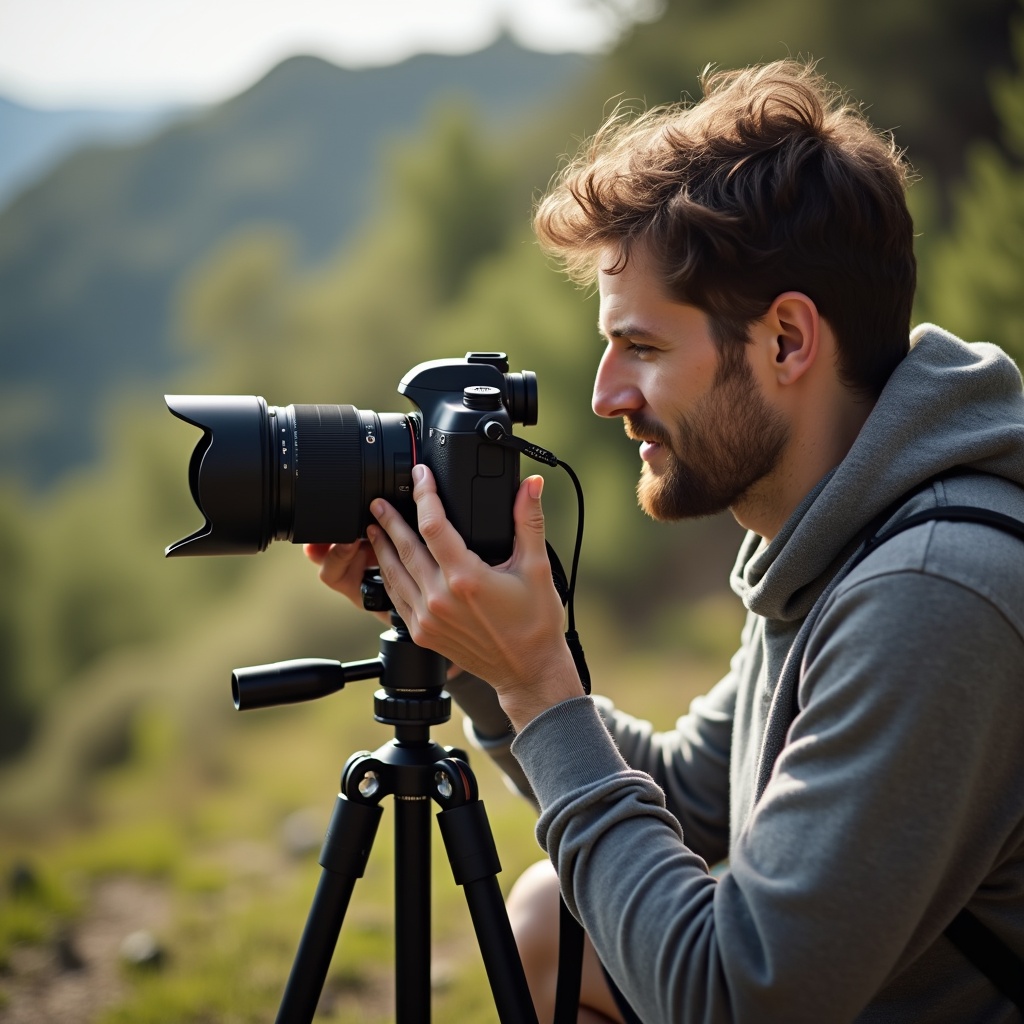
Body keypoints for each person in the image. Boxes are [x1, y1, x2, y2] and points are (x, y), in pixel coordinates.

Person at [305, 60, 1024, 1023]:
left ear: (786, 341)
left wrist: (538, 684)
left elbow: (733, 998)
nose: (605, 395)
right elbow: (688, 795)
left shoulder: (933, 591)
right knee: (556, 921)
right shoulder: (841, 539)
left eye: (641, 348)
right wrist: (481, 654)